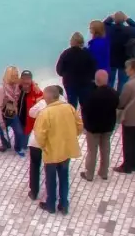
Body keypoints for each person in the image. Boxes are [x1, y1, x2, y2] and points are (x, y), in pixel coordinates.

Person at [34, 85, 82, 216]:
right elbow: (79, 124)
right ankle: (64, 204)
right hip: (66, 150)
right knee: (64, 177)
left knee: (50, 179)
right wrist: (72, 136)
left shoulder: (45, 113)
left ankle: (50, 205)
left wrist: (44, 146)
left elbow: (40, 134)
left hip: (52, 152)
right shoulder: (69, 108)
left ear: (48, 97)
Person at [81, 70, 119, 181]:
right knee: (106, 149)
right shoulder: (114, 93)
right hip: (108, 126)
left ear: (96, 81)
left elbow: (86, 111)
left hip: (93, 128)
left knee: (92, 151)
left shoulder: (91, 95)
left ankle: (89, 174)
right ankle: (104, 172)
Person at [103, 11, 135, 91]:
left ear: (114, 20)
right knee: (122, 82)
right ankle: (120, 99)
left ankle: (109, 97)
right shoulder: (128, 30)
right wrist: (128, 19)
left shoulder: (109, 29)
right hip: (124, 60)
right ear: (123, 21)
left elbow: (104, 24)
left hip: (111, 59)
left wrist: (110, 18)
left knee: (110, 82)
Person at [27, 93, 50, 200]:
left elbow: (31, 113)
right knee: (50, 168)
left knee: (35, 165)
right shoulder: (64, 104)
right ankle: (49, 194)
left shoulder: (42, 104)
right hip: (50, 143)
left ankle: (34, 191)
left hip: (36, 141)